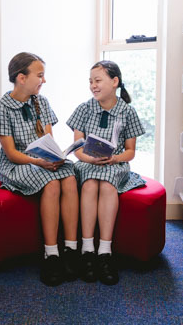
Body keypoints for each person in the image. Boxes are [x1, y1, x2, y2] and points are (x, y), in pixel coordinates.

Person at [0, 52, 80, 286]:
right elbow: (11, 153)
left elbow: (49, 140)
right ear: (21, 78)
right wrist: (40, 163)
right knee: (51, 183)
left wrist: (56, 157)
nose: (43, 80)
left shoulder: (42, 102)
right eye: (39, 75)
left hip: (43, 160)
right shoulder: (1, 108)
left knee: (69, 177)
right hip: (17, 164)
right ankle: (51, 253)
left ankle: (71, 249)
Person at [66, 60, 145, 285]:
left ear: (114, 82)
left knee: (107, 185)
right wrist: (89, 158)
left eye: (98, 80)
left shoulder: (128, 112)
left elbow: (130, 152)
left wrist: (115, 158)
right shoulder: (83, 109)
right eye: (90, 81)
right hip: (88, 164)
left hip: (115, 164)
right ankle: (87, 250)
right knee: (90, 183)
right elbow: (77, 149)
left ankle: (105, 252)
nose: (93, 85)